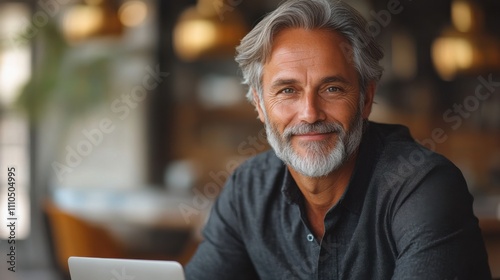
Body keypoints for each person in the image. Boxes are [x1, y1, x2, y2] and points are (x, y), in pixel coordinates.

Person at [185, 0, 492, 279]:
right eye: (287, 91)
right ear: (259, 105)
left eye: (332, 89)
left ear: (366, 98)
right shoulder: (248, 191)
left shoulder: (422, 187)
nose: (310, 114)